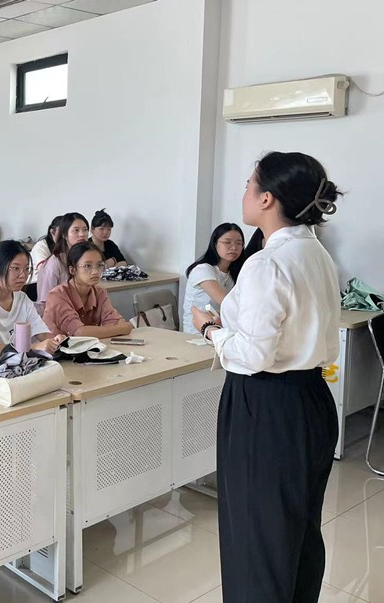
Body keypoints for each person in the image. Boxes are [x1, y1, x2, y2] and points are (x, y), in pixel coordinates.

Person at [191, 152, 341, 603]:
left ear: (267, 199)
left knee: (257, 540)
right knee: (298, 531)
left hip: (265, 405)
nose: (244, 192)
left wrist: (211, 329)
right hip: (311, 398)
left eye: (248, 185)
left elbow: (253, 354)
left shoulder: (266, 262)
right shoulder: (315, 252)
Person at [43, 242, 132, 338]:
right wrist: (121, 329)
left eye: (99, 265)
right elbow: (79, 333)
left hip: (91, 346)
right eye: (88, 266)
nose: (95, 271)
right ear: (72, 270)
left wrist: (117, 328)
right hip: (58, 346)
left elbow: (115, 322)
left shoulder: (100, 293)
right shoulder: (57, 295)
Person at [181, 223, 245, 335]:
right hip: (196, 334)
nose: (234, 247)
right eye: (227, 242)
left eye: (239, 243)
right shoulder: (203, 270)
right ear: (215, 244)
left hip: (221, 331)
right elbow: (226, 302)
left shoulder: (234, 274)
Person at [37, 212, 89, 302]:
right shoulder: (54, 263)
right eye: (76, 230)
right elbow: (46, 300)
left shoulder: (87, 258)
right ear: (64, 235)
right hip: (57, 308)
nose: (82, 234)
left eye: (85, 230)